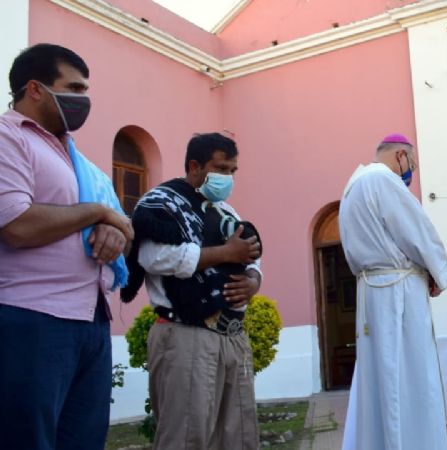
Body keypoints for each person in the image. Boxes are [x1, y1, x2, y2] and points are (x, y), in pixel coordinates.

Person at [0, 44, 134, 450]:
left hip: (90, 319)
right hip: (33, 318)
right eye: (73, 88)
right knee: (29, 439)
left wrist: (112, 228)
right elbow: (17, 224)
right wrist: (96, 212)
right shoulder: (9, 138)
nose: (83, 100)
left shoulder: (78, 161)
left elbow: (122, 223)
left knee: (83, 440)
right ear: (35, 89)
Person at [121, 133, 262, 450]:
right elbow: (153, 258)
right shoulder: (161, 204)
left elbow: (253, 257)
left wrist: (253, 281)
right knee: (187, 438)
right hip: (186, 334)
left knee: (239, 438)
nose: (227, 177)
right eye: (221, 168)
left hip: (233, 337)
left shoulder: (227, 211)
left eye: (232, 170)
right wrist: (225, 254)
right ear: (195, 166)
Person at [339, 133, 447, 450]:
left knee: (379, 376)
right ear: (401, 155)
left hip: (371, 292)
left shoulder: (353, 186)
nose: (410, 170)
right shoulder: (385, 182)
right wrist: (438, 273)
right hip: (399, 292)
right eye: (411, 162)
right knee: (410, 375)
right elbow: (417, 233)